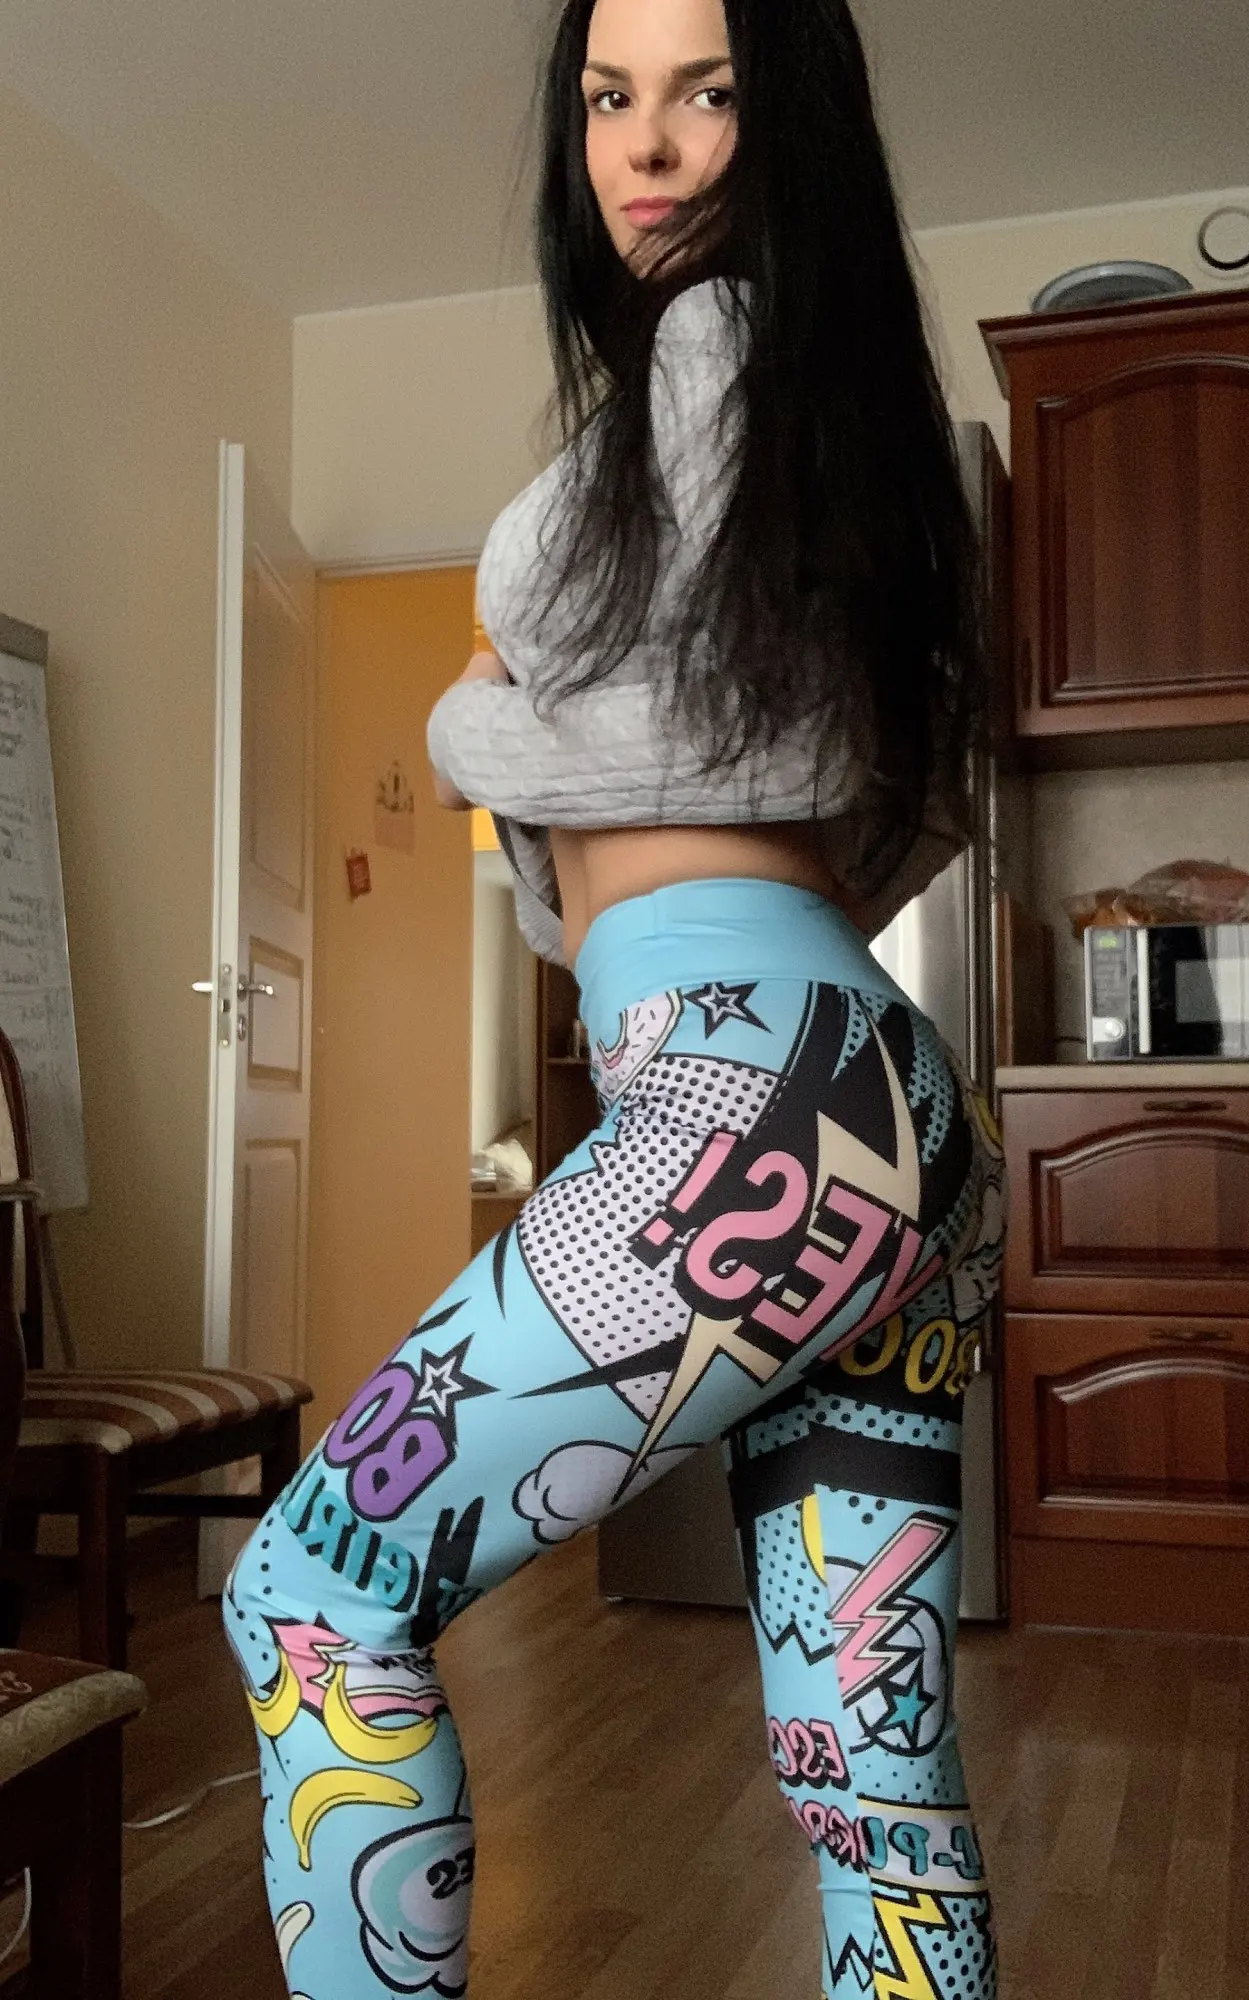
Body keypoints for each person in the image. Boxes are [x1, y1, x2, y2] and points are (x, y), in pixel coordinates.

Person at [224, 0, 1006, 1993]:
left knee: (312, 1590)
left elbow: (771, 756)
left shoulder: (723, 345)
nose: (645, 146)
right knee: (875, 1788)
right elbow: (900, 796)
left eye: (707, 90)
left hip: (753, 1102)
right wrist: (660, 891)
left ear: (790, 113)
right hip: (873, 1098)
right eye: (608, 97)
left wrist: (469, 730)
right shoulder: (835, 393)